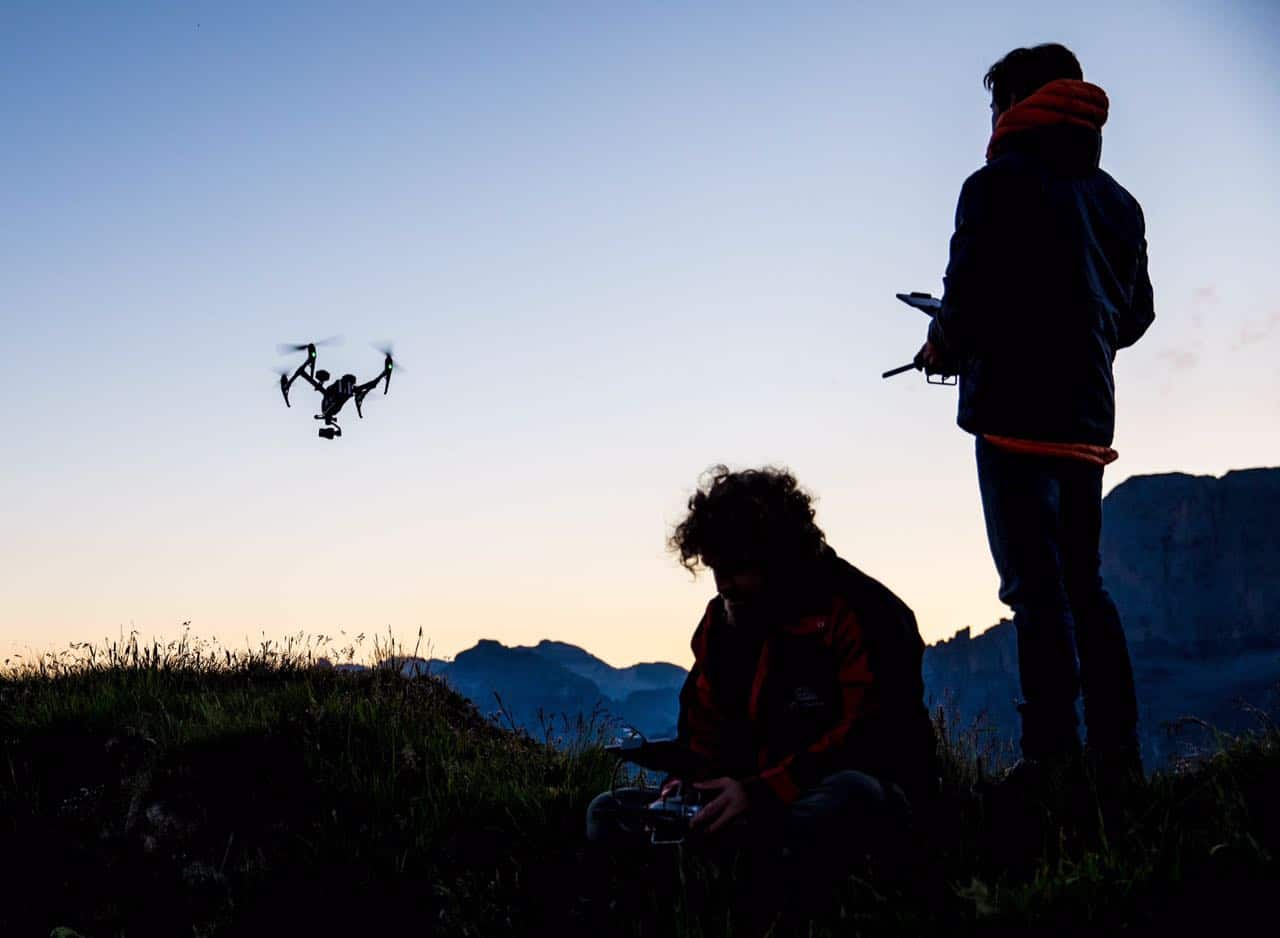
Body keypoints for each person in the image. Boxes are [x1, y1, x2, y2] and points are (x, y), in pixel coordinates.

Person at [917, 44, 1154, 786]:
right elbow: (1138, 315)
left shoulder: (991, 187)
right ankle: (1117, 758)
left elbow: (967, 303)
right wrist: (1081, 331)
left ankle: (1050, 759)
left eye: (993, 105)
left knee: (1034, 590)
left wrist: (939, 344)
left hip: (1013, 416)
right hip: (1087, 419)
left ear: (1014, 102)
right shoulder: (1118, 200)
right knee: (1085, 586)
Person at [586, 466, 938, 904]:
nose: (722, 585)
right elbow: (703, 730)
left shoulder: (867, 612)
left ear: (780, 556)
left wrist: (760, 794)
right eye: (716, 568)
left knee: (848, 798)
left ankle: (740, 877)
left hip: (854, 794)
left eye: (736, 568)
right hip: (751, 801)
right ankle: (744, 866)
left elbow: (871, 737)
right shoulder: (723, 620)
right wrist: (687, 787)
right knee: (609, 813)